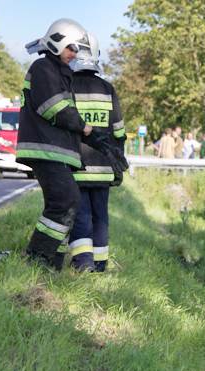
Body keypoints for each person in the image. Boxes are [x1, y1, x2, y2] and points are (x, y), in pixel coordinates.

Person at [18, 18, 92, 270]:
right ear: (57, 42)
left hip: (55, 149)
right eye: (71, 48)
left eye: (77, 50)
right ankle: (37, 257)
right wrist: (84, 127)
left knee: (65, 204)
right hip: (44, 147)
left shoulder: (57, 71)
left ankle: (53, 263)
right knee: (65, 200)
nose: (74, 54)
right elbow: (55, 109)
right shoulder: (43, 68)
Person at [68, 32, 127, 272]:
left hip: (76, 166)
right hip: (103, 168)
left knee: (81, 215)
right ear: (96, 56)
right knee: (100, 216)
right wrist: (118, 162)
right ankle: (100, 264)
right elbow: (119, 131)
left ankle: (83, 263)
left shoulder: (67, 86)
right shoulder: (107, 88)